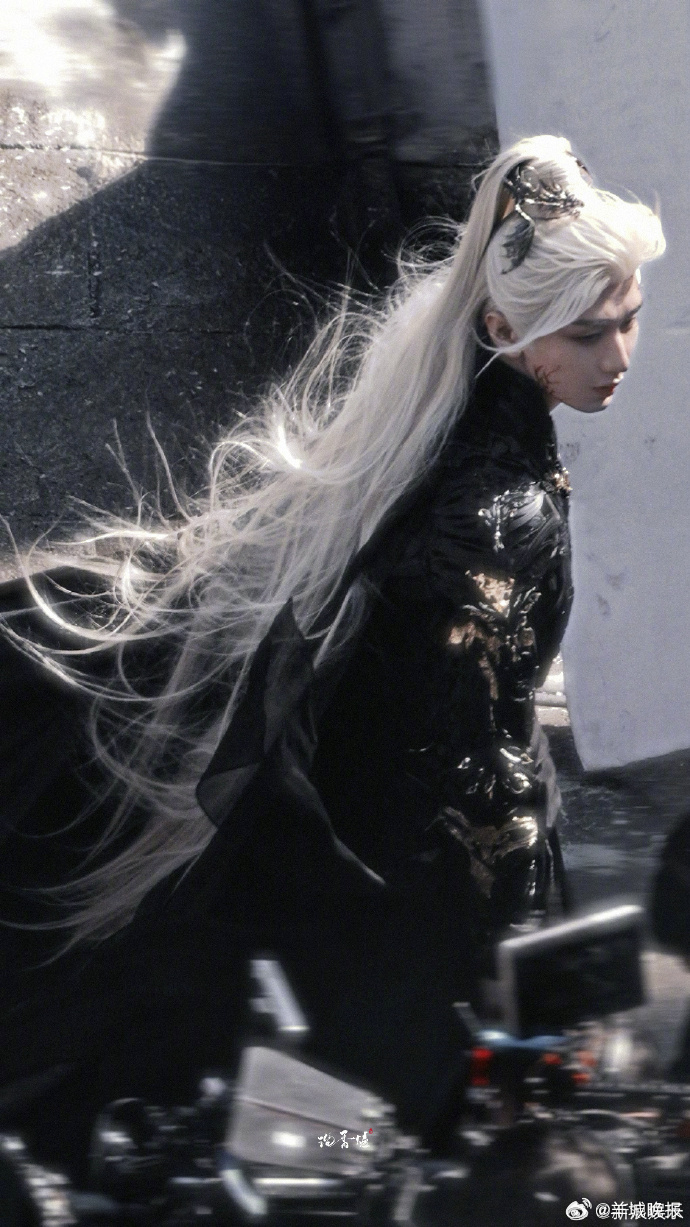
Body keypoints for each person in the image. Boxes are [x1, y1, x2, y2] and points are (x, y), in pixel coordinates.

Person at [0, 135, 664, 1176]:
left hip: (381, 840)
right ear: (504, 329)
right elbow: (468, 764)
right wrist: (524, 935)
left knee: (384, 1136)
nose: (618, 357)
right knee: (430, 1148)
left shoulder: (447, 428)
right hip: (416, 877)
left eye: (629, 320)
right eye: (587, 334)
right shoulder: (500, 510)